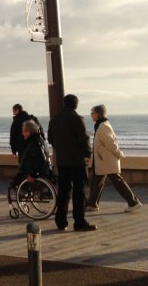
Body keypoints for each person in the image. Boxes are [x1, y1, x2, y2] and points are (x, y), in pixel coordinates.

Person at [47, 94, 96, 232]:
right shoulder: (77, 119)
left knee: (63, 191)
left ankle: (61, 221)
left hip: (62, 161)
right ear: (75, 105)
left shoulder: (54, 119)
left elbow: (50, 138)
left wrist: (60, 149)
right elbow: (84, 139)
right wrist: (87, 154)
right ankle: (79, 221)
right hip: (77, 161)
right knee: (79, 192)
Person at [86, 104, 142, 213]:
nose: (91, 115)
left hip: (107, 160)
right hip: (102, 160)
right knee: (97, 181)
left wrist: (119, 154)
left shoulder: (103, 126)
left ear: (97, 114)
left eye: (92, 113)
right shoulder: (100, 125)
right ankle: (92, 204)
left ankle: (133, 202)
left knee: (117, 181)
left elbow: (111, 144)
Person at [12, 120, 51, 185]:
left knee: (15, 182)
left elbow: (40, 160)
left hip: (35, 174)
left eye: (23, 131)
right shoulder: (38, 139)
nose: (22, 133)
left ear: (28, 132)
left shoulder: (34, 143)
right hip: (42, 171)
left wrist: (33, 175)